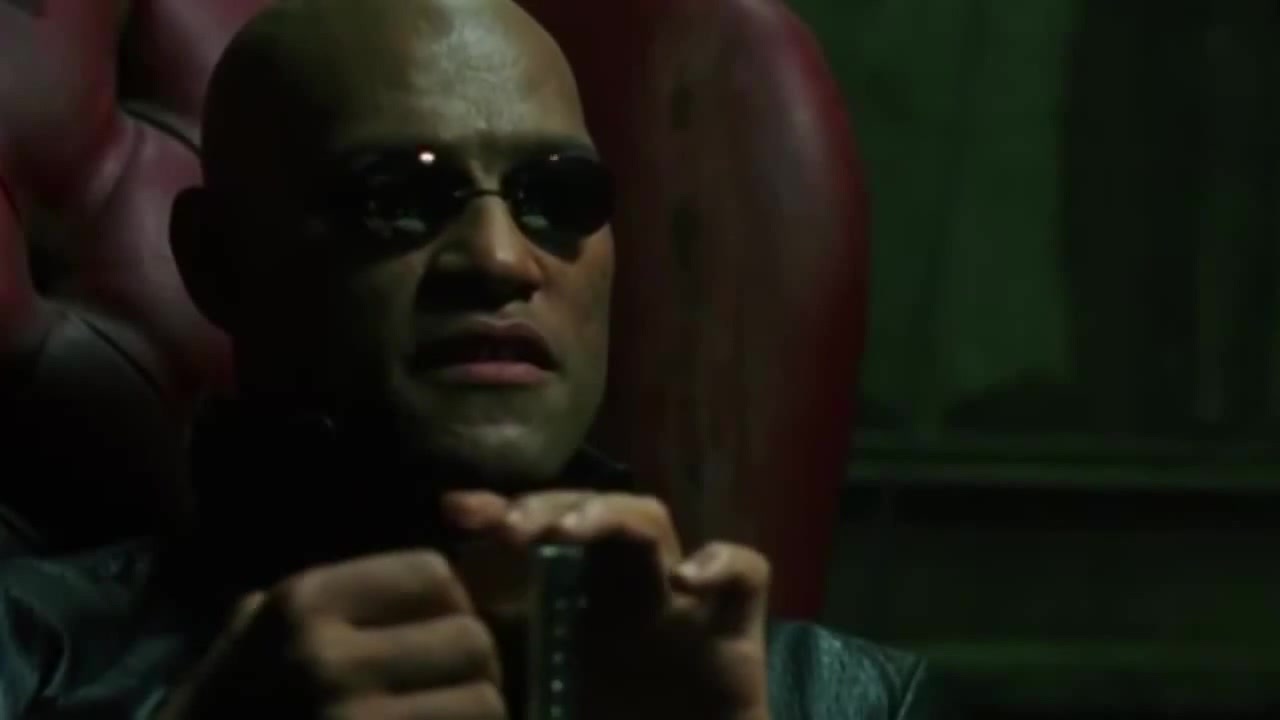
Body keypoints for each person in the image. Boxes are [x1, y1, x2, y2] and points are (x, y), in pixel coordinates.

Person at [0, 0, 935, 718]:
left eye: (558, 196)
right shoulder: (26, 653)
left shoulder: (851, 700)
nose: (499, 258)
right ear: (216, 262)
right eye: (397, 196)